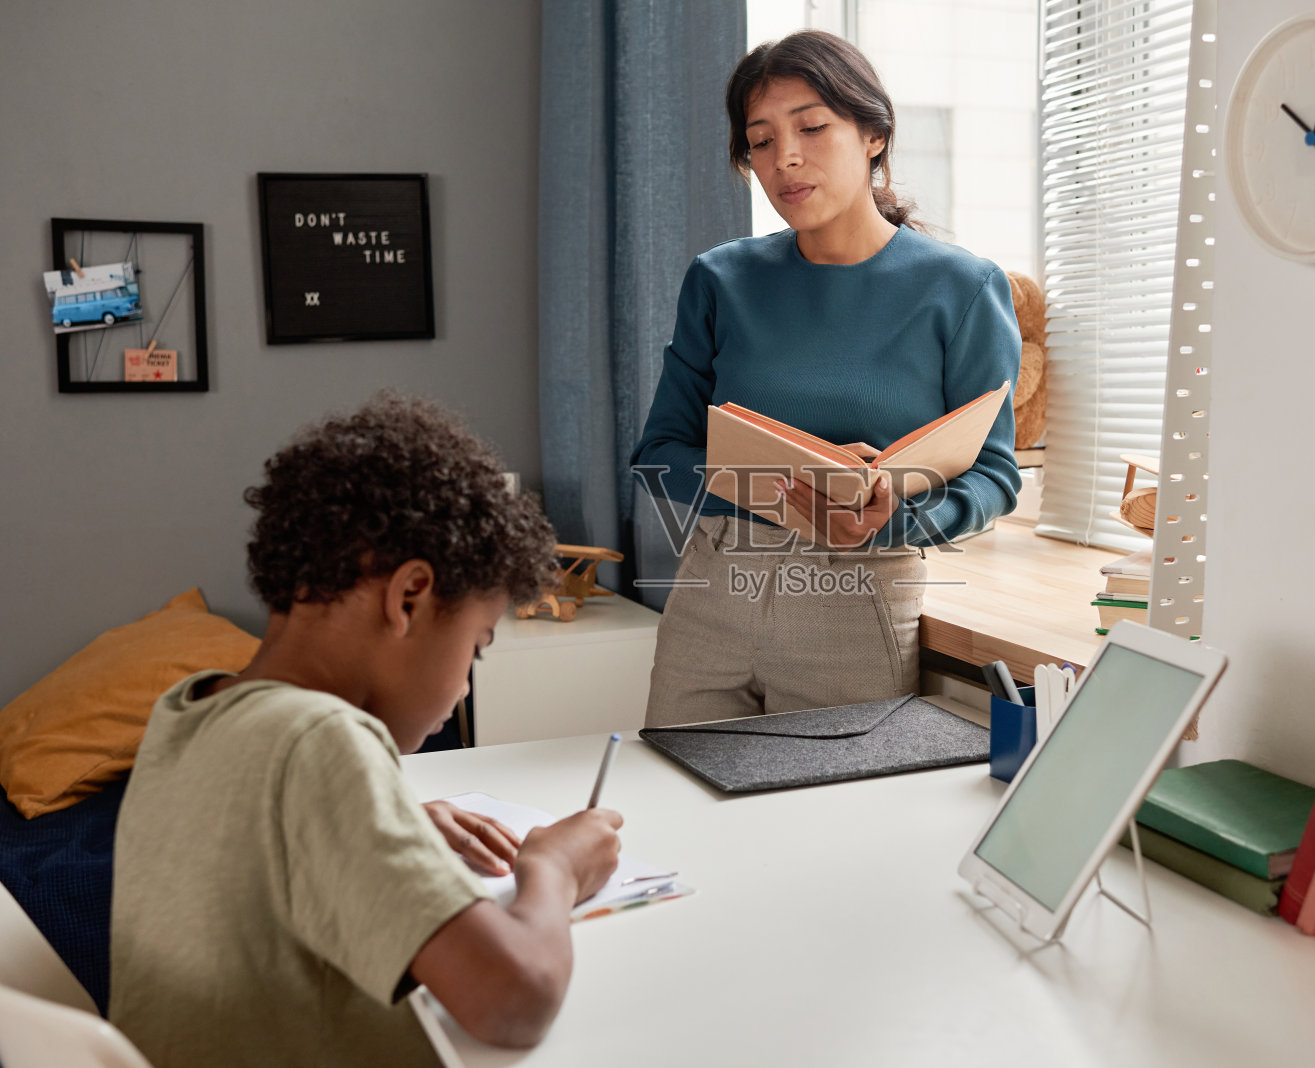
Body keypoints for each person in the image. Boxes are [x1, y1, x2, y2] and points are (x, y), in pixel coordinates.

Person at [109, 393, 624, 1067]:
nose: (466, 682)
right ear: (408, 597)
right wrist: (552, 868)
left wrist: (383, 821)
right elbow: (512, 1001)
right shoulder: (319, 741)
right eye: (476, 646)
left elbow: (243, 849)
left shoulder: (189, 712)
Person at [631, 30, 1022, 727]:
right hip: (713, 590)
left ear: (872, 133)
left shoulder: (962, 289)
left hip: (858, 595)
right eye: (760, 140)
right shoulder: (720, 280)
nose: (785, 158)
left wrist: (894, 515)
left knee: (830, 822)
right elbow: (660, 452)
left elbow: (993, 474)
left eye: (812, 127)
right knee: (674, 806)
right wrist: (783, 487)